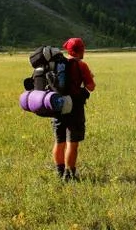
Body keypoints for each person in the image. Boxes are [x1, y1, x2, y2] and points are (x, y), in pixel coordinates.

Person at [52, 38, 96, 181]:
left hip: (57, 105)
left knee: (59, 141)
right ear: (80, 50)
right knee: (72, 142)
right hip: (74, 107)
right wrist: (89, 77)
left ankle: (59, 171)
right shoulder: (81, 65)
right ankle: (69, 174)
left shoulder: (59, 65)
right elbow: (91, 87)